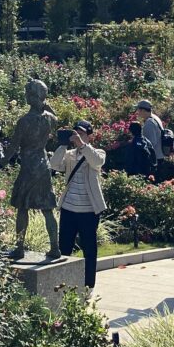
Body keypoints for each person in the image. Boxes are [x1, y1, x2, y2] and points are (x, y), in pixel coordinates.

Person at [6, 79, 61, 262]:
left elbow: (14, 146)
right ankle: (55, 248)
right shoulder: (49, 118)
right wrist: (45, 104)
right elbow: (56, 119)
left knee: (22, 207)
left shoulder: (24, 121)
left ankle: (19, 248)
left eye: (27, 93)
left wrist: (2, 159)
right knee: (47, 208)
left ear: (31, 96)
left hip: (29, 166)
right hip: (43, 166)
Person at [52, 119, 106, 293]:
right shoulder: (68, 154)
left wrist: (82, 145)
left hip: (89, 211)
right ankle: (62, 284)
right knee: (64, 248)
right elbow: (54, 165)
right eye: (76, 133)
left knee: (89, 249)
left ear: (89, 136)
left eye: (82, 133)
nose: (78, 136)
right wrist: (62, 144)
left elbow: (97, 162)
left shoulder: (98, 152)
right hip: (68, 209)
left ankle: (89, 286)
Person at [134, 100, 165, 167]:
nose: (137, 112)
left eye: (138, 109)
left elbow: (151, 143)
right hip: (159, 155)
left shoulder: (149, 123)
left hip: (155, 158)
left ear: (143, 110)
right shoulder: (155, 117)